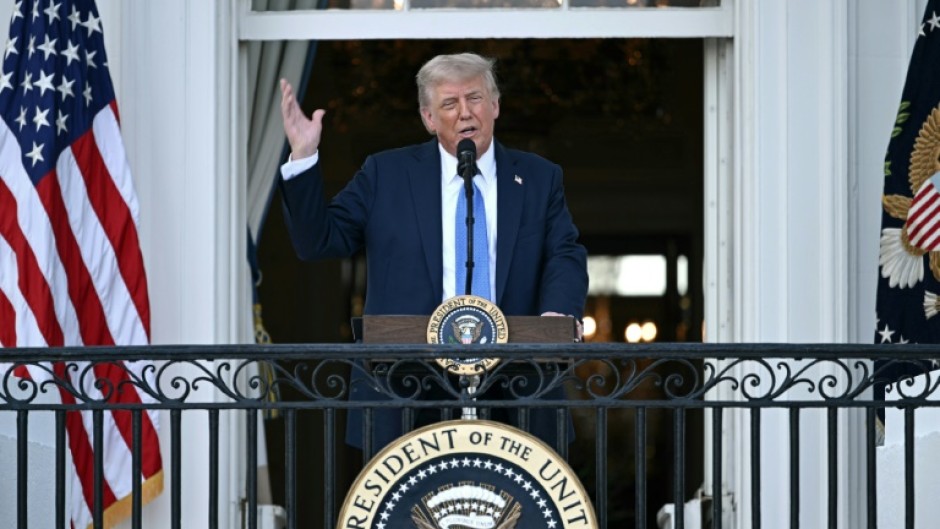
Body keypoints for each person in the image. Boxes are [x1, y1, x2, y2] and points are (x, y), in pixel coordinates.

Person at [277, 52, 588, 452]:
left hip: (516, 386)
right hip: (404, 387)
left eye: (474, 98)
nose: (464, 113)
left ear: (495, 106)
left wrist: (559, 313)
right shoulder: (384, 174)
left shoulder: (539, 177)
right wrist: (302, 156)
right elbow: (318, 241)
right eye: (449, 103)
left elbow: (564, 252)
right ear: (428, 117)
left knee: (516, 512)